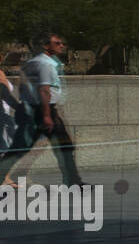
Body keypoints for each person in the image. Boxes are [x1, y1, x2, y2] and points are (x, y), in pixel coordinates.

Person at [1, 32, 86, 187]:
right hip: (44, 111)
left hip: (31, 110)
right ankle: (73, 182)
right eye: (57, 43)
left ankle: (73, 181)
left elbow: (23, 87)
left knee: (18, 150)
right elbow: (44, 90)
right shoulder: (45, 64)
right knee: (64, 147)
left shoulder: (30, 63)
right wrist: (47, 115)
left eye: (62, 43)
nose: (62, 46)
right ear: (46, 46)